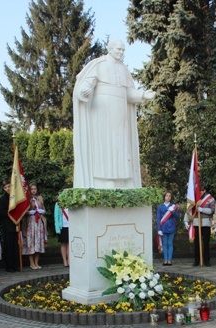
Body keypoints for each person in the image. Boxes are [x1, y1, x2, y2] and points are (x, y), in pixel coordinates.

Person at [72, 39, 155, 189]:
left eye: (123, 50)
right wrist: (84, 90)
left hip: (120, 115)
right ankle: (104, 181)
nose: (121, 52)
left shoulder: (124, 70)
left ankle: (121, 181)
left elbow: (128, 93)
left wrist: (142, 94)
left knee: (121, 147)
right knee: (104, 146)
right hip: (102, 112)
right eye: (118, 49)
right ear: (110, 49)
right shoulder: (99, 64)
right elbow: (86, 84)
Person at [184, 188, 215, 267]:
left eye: (201, 191)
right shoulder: (193, 199)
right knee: (197, 243)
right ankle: (197, 260)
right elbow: (189, 210)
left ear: (204, 190)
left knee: (206, 243)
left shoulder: (210, 198)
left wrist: (202, 210)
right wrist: (186, 221)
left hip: (206, 223)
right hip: (196, 223)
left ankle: (206, 260)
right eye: (198, 191)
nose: (199, 192)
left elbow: (213, 210)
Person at [0, 180, 20, 272]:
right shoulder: (2, 199)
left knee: (16, 246)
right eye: (6, 187)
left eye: (9, 186)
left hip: (16, 224)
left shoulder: (15, 198)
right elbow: (1, 212)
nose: (8, 189)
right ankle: (9, 266)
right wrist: (10, 214)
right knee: (8, 246)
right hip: (7, 224)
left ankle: (16, 264)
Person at [22, 183, 47, 270]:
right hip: (30, 222)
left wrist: (41, 211)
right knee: (31, 242)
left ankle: (36, 262)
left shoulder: (39, 198)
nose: (33, 190)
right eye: (32, 189)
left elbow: (44, 209)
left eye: (35, 189)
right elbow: (24, 212)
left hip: (39, 221)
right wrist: (29, 212)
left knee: (38, 242)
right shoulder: (27, 199)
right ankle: (31, 263)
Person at [156, 192, 179, 266]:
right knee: (165, 244)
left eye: (169, 196)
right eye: (167, 196)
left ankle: (169, 260)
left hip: (171, 226)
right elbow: (158, 218)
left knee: (170, 244)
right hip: (163, 227)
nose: (168, 197)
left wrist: (173, 212)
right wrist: (159, 229)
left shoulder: (173, 206)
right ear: (164, 197)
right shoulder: (160, 207)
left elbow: (177, 217)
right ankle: (165, 260)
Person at [54, 200, 70, 267]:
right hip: (62, 226)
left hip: (70, 225)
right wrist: (57, 228)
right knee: (63, 243)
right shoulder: (58, 203)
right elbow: (56, 216)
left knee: (69, 243)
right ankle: (64, 260)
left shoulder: (70, 202)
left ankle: (69, 260)